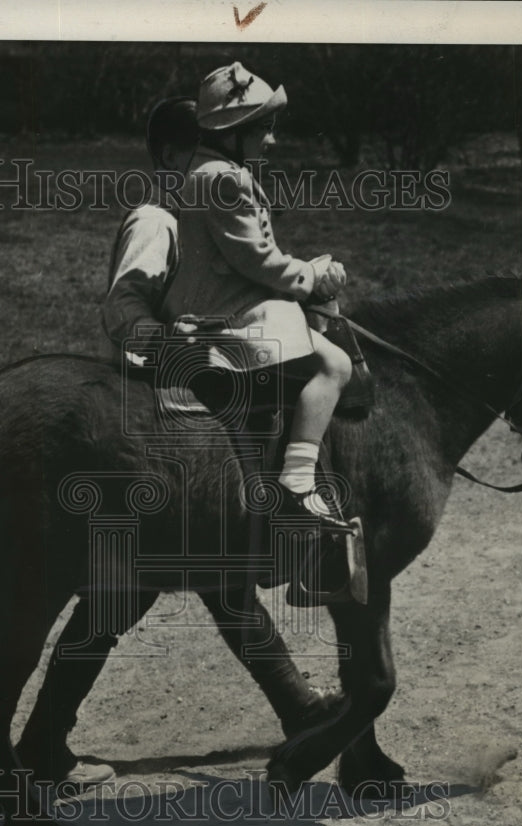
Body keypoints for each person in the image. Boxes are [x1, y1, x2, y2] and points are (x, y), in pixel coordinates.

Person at [162, 62, 352, 530]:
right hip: (228, 312)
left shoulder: (210, 169)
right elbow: (258, 262)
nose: (271, 140)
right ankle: (299, 480)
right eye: (264, 129)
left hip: (226, 298)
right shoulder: (226, 179)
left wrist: (307, 274)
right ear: (235, 131)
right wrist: (310, 277)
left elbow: (253, 254)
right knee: (336, 365)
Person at [99, 96, 199, 366]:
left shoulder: (187, 218)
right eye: (203, 157)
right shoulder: (155, 222)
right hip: (139, 384)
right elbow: (122, 307)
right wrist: (162, 338)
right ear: (169, 157)